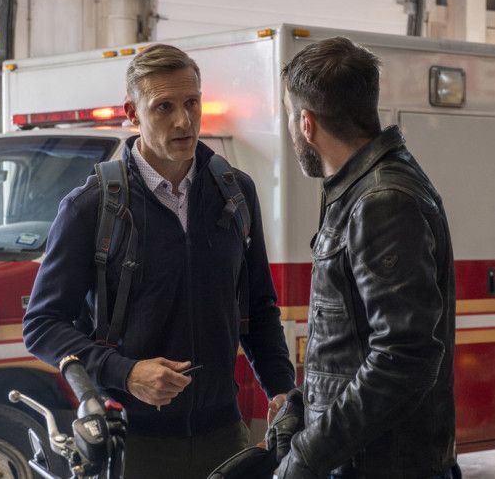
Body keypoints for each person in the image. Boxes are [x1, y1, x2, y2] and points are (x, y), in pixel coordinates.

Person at [23, 44, 295, 479]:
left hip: (225, 438)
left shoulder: (235, 193)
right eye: (163, 107)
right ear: (132, 113)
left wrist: (281, 388)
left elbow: (258, 309)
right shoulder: (90, 208)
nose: (183, 121)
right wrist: (125, 373)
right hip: (134, 444)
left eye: (191, 103)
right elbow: (41, 325)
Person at [268, 37, 458, 478]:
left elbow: (402, 357)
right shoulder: (361, 189)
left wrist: (307, 457)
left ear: (307, 123)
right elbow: (352, 342)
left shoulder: (382, 200)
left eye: (290, 119)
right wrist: (303, 405)